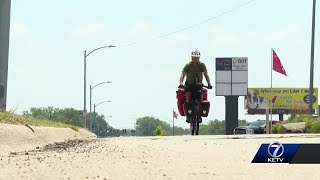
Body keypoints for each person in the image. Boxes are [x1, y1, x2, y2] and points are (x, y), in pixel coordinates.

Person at [179, 49, 212, 123]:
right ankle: (188, 115)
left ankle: (199, 115)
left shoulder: (202, 65)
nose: (196, 59)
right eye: (194, 57)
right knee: (188, 98)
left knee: (200, 98)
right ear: (191, 57)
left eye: (197, 57)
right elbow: (182, 75)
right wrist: (181, 83)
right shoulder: (188, 65)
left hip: (198, 84)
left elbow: (206, 74)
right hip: (189, 84)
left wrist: (209, 83)